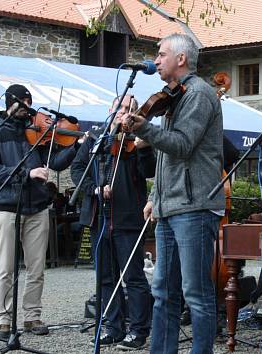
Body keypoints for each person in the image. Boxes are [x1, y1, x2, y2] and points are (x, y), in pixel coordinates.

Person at [121, 33, 225, 353]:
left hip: (194, 207)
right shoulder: (173, 97)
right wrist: (156, 196)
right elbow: (167, 159)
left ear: (181, 59)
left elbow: (181, 145)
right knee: (163, 293)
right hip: (169, 207)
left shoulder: (199, 94)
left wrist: (142, 128)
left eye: (162, 54)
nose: (156, 59)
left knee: (196, 294)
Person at [0, 84, 79, 338]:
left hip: (38, 207)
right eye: (24, 104)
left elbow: (54, 162)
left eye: (29, 103)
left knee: (36, 268)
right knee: (5, 268)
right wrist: (27, 173)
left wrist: (74, 147)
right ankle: (2, 319)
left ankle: (32, 317)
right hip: (7, 208)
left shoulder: (34, 132)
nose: (29, 110)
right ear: (10, 103)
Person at [71, 94, 155, 349]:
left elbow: (148, 172)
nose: (124, 113)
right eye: (121, 108)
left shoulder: (137, 141)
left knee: (133, 277)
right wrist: (95, 188)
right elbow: (77, 170)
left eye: (130, 109)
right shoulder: (95, 140)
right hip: (99, 217)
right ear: (111, 109)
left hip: (128, 217)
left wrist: (143, 149)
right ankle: (114, 326)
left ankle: (139, 330)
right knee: (106, 278)